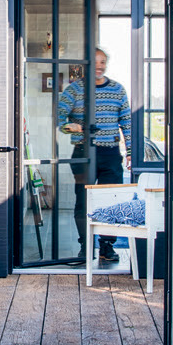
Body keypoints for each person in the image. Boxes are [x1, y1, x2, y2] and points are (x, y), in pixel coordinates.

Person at [57, 47, 131, 266]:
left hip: (110, 153)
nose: (100, 66)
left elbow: (127, 123)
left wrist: (131, 153)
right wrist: (69, 127)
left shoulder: (118, 89)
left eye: (103, 62)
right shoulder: (75, 89)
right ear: (86, 65)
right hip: (82, 152)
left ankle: (107, 246)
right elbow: (59, 115)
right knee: (84, 200)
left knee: (110, 201)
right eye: (96, 62)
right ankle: (85, 245)